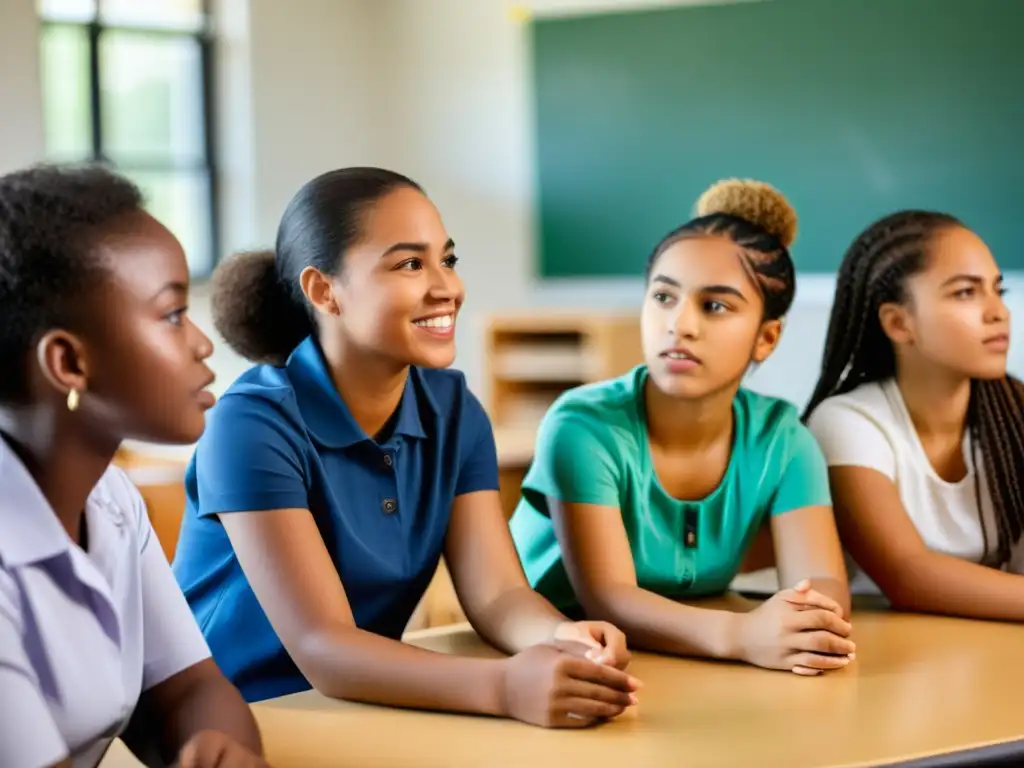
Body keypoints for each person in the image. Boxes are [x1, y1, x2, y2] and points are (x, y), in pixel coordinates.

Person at [171, 167, 640, 728]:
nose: (446, 287)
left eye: (448, 259)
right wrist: (505, 686)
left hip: (364, 706)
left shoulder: (455, 409)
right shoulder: (251, 424)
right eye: (410, 264)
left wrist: (559, 636)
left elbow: (496, 595)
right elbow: (324, 647)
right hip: (233, 720)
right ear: (324, 291)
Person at [509, 179, 855, 677]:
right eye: (664, 297)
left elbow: (820, 578)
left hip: (682, 659)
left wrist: (807, 626)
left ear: (767, 337)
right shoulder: (582, 426)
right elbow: (609, 598)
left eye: (715, 306)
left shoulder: (783, 439)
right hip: (557, 659)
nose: (680, 324)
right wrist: (742, 635)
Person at [0, 164, 268, 768]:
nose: (202, 343)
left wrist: (214, 747)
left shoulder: (109, 500)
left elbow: (190, 690)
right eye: (173, 315)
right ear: (68, 362)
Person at [804, 210, 1024, 618]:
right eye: (965, 293)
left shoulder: (1014, 414)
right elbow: (909, 576)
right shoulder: (848, 421)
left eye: (999, 290)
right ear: (898, 322)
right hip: (892, 655)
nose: (998, 313)